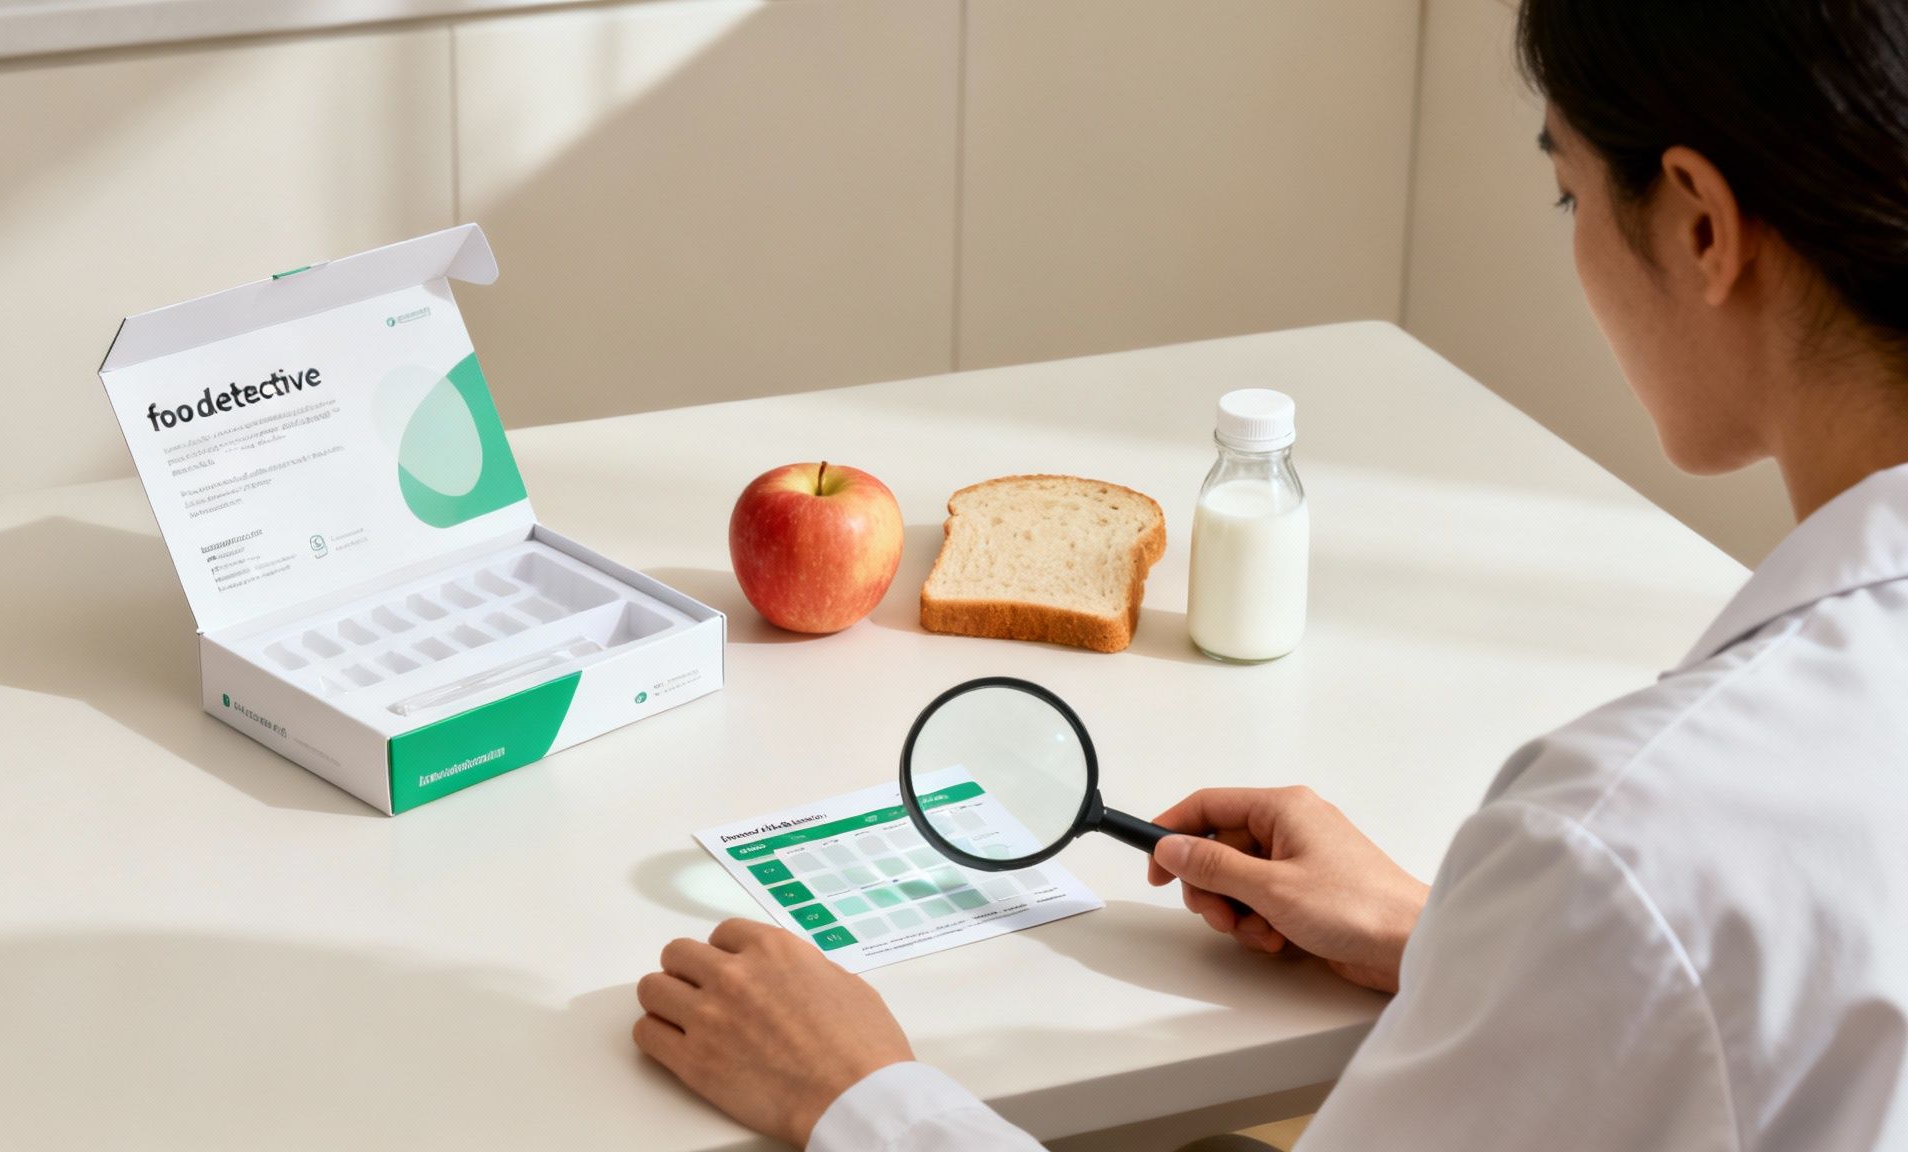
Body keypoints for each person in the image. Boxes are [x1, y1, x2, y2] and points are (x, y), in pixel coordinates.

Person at [630, 0, 1908, 1147]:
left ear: (1697, 224)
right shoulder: (1657, 851)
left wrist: (855, 1097)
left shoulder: (1629, 837)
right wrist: (1472, 951)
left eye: (1567, 194)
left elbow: (1673, 927)